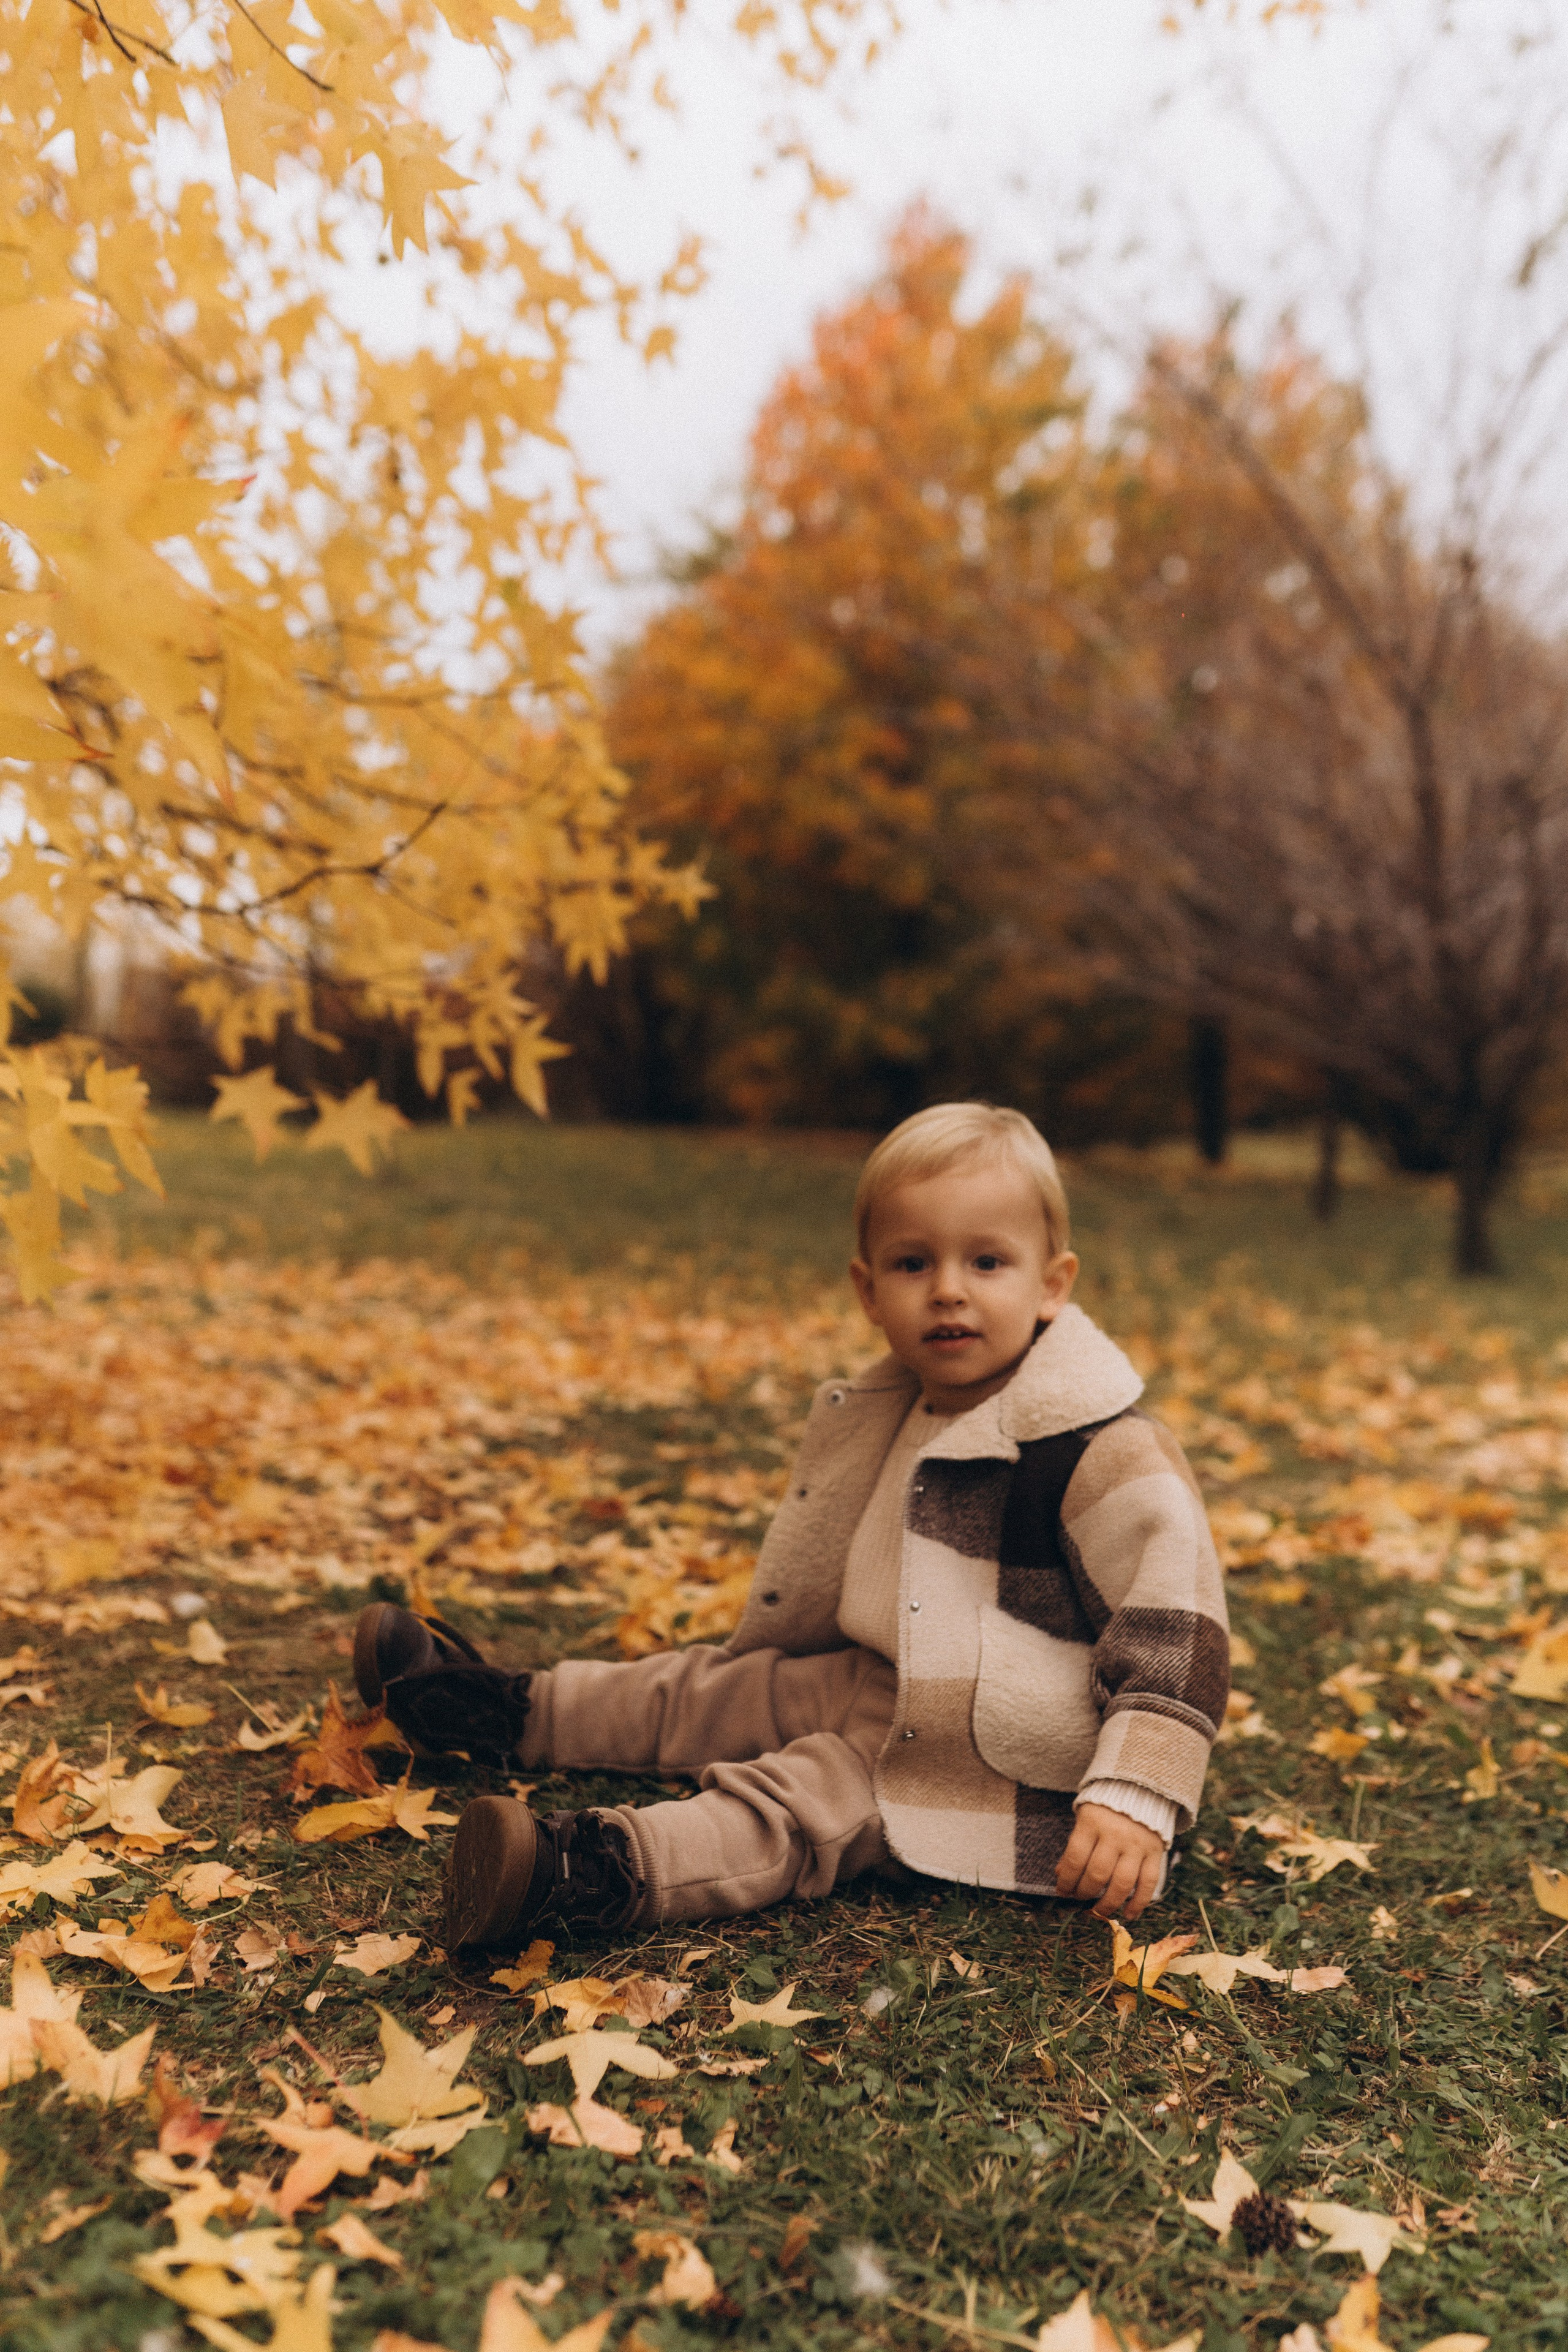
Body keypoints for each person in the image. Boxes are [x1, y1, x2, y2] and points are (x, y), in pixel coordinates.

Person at [352, 1102, 1229, 1954]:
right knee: (704, 1692)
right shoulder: (897, 1401)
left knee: (802, 1803)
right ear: (868, 1290)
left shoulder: (1096, 1444)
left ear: (1052, 1284)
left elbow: (1176, 1629)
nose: (950, 1290)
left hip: (977, 1750)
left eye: (988, 1262)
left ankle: (581, 1870)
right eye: (914, 1263)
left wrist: (1134, 1794)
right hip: (868, 1673)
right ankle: (493, 1710)